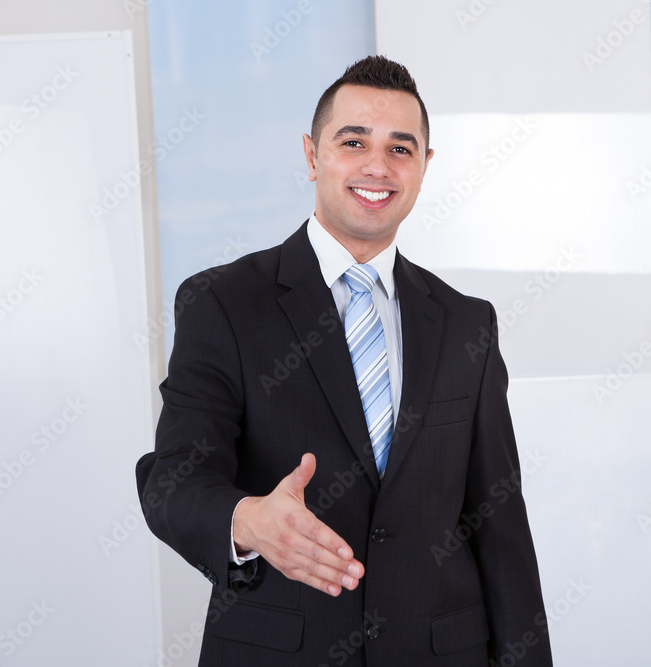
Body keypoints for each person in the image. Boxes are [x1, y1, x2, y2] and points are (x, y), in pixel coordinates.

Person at [136, 55, 552, 666]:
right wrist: (246, 520)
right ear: (312, 156)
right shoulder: (222, 303)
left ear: (424, 166)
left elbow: (499, 522)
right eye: (353, 142)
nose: (377, 166)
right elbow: (172, 479)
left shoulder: (467, 323)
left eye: (400, 149)